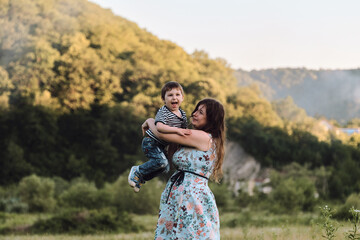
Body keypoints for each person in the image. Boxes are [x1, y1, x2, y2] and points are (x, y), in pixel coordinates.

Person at [142, 98, 225, 240]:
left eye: (201, 112)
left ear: (211, 118)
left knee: (191, 234)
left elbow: (161, 133)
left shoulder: (203, 137)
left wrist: (150, 121)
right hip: (180, 193)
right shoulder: (195, 137)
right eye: (195, 110)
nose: (194, 114)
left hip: (192, 196)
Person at [128, 81, 190, 192]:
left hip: (161, 146)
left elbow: (183, 133)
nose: (174, 98)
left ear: (182, 97)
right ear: (163, 99)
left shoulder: (183, 114)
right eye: (170, 95)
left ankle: (141, 178)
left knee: (165, 168)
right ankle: (137, 170)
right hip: (151, 142)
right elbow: (160, 127)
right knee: (161, 162)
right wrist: (176, 130)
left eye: (177, 95)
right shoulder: (164, 111)